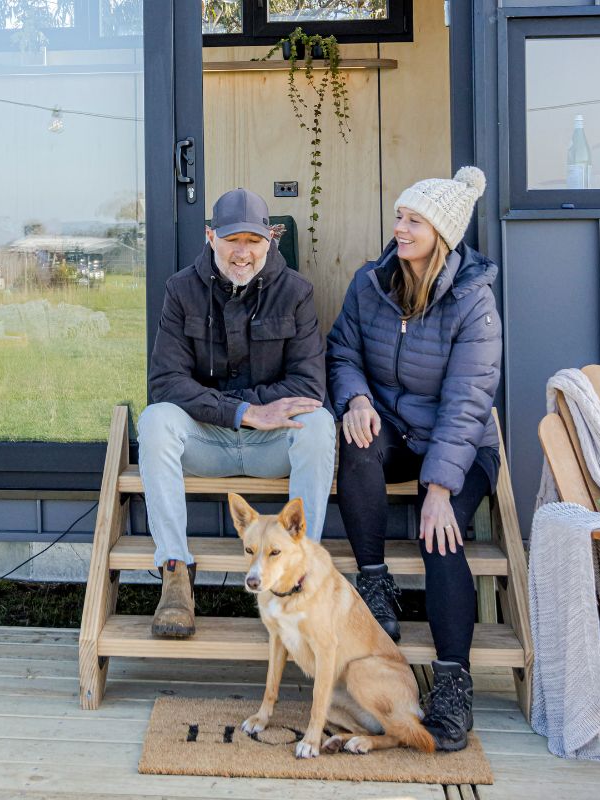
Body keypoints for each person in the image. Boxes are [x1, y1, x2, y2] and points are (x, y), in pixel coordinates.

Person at [326, 167, 502, 752]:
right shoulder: (371, 284)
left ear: (443, 234)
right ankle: (375, 584)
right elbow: (342, 349)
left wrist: (440, 490)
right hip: (395, 431)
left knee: (440, 536)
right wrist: (354, 398)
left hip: (462, 447)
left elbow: (468, 402)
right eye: (399, 217)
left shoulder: (473, 304)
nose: (399, 229)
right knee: (355, 443)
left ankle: (453, 681)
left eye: (413, 221)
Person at [139, 187, 335, 639]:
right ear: (211, 237)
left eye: (253, 241)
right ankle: (175, 574)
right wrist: (246, 411)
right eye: (232, 240)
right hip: (209, 440)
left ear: (272, 239)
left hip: (272, 447)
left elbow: (308, 386)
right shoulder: (181, 290)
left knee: (319, 424)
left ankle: (304, 575)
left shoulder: (297, 293)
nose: (242, 253)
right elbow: (167, 382)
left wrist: (262, 414)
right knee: (154, 420)